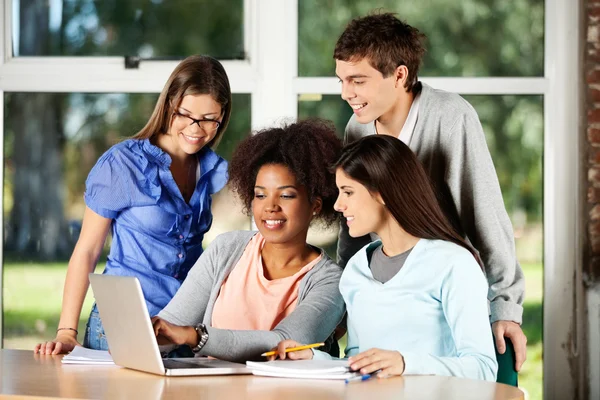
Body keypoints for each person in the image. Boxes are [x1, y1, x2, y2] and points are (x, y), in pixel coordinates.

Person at [333, 12, 526, 370]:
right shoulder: (357, 127)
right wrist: (344, 300)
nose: (347, 93)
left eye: (357, 80)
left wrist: (505, 306)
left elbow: (484, 213)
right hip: (391, 284)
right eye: (342, 80)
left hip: (445, 287)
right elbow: (352, 226)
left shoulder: (451, 117)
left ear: (400, 75)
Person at [35, 55, 232, 355]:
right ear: (169, 106)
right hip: (121, 327)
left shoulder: (210, 169)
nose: (196, 128)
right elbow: (87, 250)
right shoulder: (123, 165)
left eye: (209, 119)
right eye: (186, 114)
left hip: (182, 332)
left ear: (222, 116)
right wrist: (66, 331)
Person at [272, 135, 498, 381]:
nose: (338, 204)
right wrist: (312, 359)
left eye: (348, 192)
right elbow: (360, 363)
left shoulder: (454, 264)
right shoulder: (356, 269)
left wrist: (405, 363)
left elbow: (483, 368)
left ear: (382, 191)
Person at [150, 119, 346, 362]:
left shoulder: (331, 280)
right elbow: (173, 325)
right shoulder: (226, 249)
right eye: (260, 195)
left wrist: (195, 336)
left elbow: (284, 342)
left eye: (286, 195)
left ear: (315, 205)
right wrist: (148, 335)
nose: (270, 207)